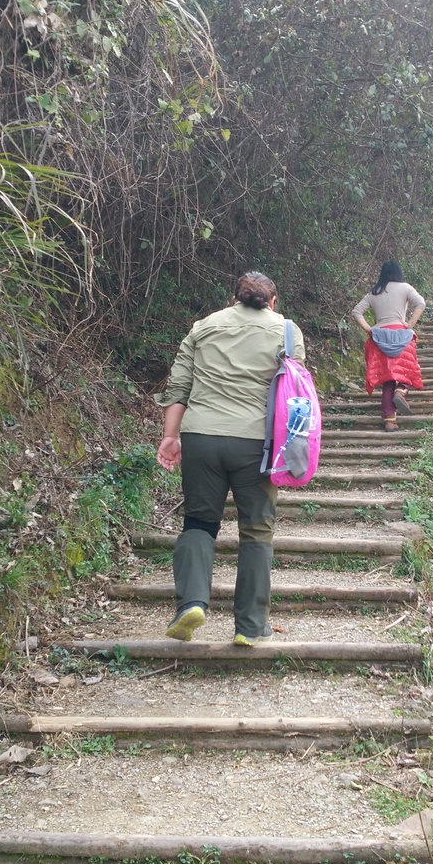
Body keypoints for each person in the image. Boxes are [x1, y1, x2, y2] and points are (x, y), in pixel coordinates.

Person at [155, 271, 305, 646]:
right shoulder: (287, 331)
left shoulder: (204, 326)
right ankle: (250, 626)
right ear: (272, 301)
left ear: (234, 299)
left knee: (198, 522)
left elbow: (178, 388)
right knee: (256, 530)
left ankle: (191, 602)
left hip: (201, 435)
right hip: (256, 443)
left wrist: (170, 437)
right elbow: (294, 392)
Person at [352, 260, 425, 432]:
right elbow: (420, 303)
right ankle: (401, 391)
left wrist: (370, 329)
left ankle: (389, 421)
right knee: (409, 370)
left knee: (388, 379)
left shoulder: (374, 292)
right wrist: (409, 325)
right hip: (402, 336)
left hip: (379, 338)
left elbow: (356, 312)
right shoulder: (405, 288)